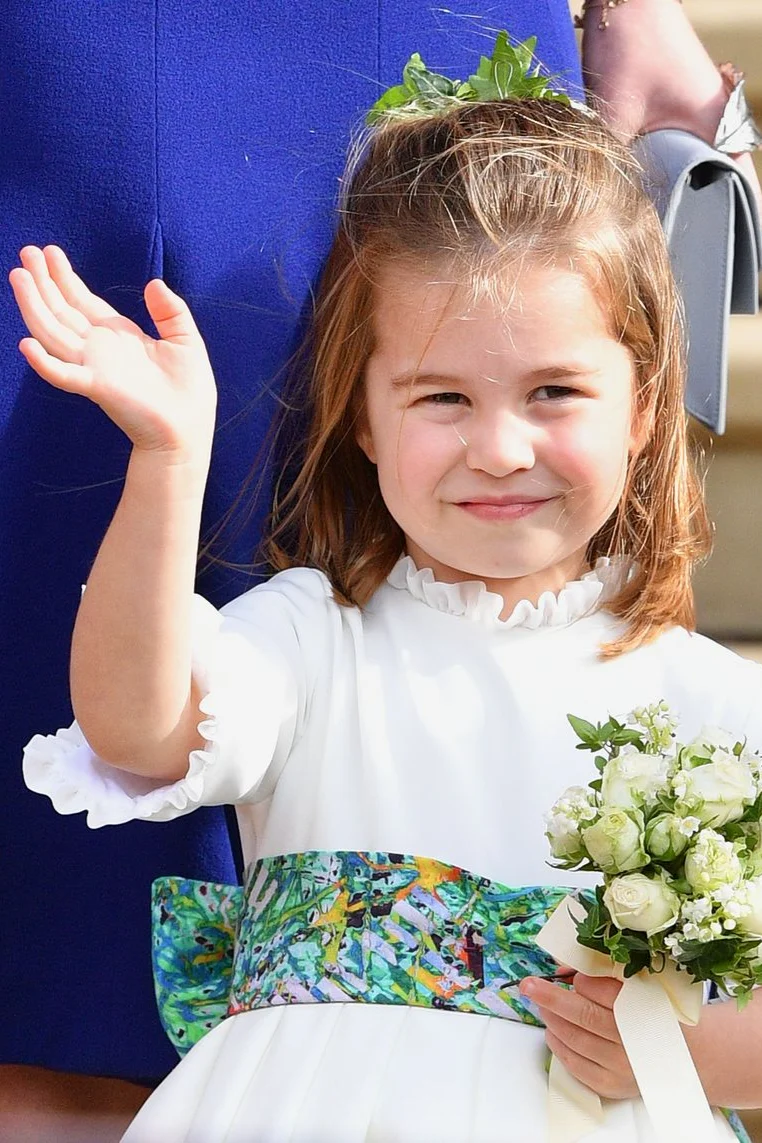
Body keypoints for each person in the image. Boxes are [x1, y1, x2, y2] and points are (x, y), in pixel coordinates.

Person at [13, 54, 762, 1140]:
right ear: (362, 418)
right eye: (443, 396)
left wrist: (702, 1048)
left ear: (642, 408)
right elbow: (133, 729)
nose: (500, 449)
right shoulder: (316, 639)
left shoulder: (704, 700)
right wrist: (170, 461)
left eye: (555, 392)